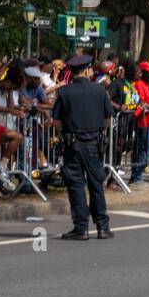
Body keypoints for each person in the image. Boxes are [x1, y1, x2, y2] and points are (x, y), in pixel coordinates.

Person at [52, 54, 115, 241]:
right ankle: (103, 227)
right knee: (96, 185)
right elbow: (107, 119)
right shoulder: (99, 90)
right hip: (94, 144)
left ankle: (81, 228)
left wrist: (69, 130)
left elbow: (56, 122)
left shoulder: (64, 92)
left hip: (73, 144)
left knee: (76, 185)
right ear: (88, 70)